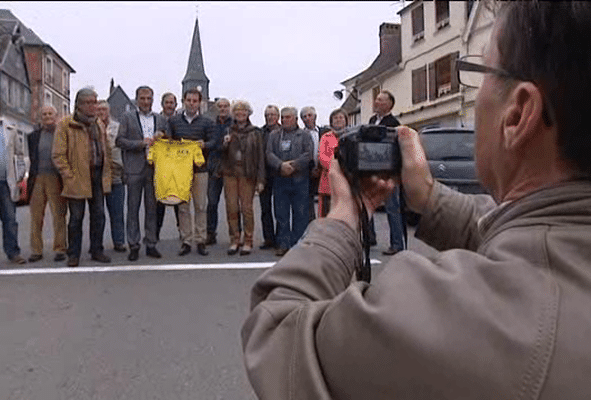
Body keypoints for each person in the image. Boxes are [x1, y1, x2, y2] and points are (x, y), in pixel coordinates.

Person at [242, 2, 591, 398]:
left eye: (481, 74)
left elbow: (276, 334)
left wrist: (340, 220)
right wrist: (429, 198)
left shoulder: (453, 317)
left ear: (518, 115)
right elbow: (530, 234)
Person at [53, 88, 112, 267]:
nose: (93, 106)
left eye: (95, 102)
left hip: (97, 176)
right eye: (89, 102)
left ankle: (96, 250)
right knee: (76, 218)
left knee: (99, 216)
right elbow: (58, 155)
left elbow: (105, 150)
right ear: (79, 105)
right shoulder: (66, 124)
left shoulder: (98, 124)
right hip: (77, 177)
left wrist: (108, 172)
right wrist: (68, 175)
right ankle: (74, 254)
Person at [116, 86, 167, 262]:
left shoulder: (160, 119)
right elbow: (119, 141)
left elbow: (168, 142)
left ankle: (151, 243)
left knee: (152, 208)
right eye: (143, 98)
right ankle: (134, 244)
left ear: (153, 100)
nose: (146, 102)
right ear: (136, 100)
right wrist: (140, 143)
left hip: (154, 169)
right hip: (134, 168)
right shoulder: (127, 117)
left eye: (149, 98)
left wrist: (162, 137)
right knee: (133, 208)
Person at [166, 88, 216, 257]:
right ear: (183, 101)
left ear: (199, 103)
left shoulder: (207, 122)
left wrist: (204, 145)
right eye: (189, 100)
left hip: (200, 170)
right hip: (180, 170)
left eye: (195, 101)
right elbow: (168, 142)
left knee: (201, 206)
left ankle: (201, 240)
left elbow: (214, 142)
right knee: (183, 207)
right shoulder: (173, 121)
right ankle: (186, 240)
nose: (192, 103)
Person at [266, 106, 313, 257]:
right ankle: (283, 243)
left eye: (288, 117)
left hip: (300, 179)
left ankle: (298, 244)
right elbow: (269, 153)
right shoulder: (274, 135)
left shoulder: (304, 135)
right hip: (280, 180)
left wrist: (293, 165)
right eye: (283, 117)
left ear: (295, 119)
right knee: (281, 214)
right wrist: (281, 165)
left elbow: (308, 154)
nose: (284, 120)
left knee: (300, 214)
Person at [221, 100, 265, 256]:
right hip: (230, 173)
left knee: (246, 208)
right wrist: (225, 145)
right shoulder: (228, 130)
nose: (240, 113)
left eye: (244, 111)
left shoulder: (256, 132)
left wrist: (261, 180)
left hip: (248, 173)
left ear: (248, 113)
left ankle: (248, 240)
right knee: (231, 207)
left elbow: (260, 157)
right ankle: (234, 239)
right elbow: (221, 153)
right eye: (237, 111)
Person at [27, 105, 67, 263]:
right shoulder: (33, 136)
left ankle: (60, 248)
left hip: (55, 177)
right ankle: (36, 250)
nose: (47, 116)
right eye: (44, 114)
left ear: (56, 116)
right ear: (40, 117)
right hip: (37, 178)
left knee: (59, 215)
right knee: (36, 216)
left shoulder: (61, 134)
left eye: (50, 113)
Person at [368, 90, 405, 255]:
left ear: (390, 104)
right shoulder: (372, 121)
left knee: (392, 208)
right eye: (376, 100)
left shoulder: (394, 124)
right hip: (372, 169)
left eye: (381, 100)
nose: (376, 103)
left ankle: (397, 243)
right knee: (368, 205)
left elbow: (397, 150)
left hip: (389, 172)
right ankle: (370, 238)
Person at [0, 94, 26, 264]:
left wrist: (19, 176)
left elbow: (19, 155)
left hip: (6, 182)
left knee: (10, 219)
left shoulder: (9, 128)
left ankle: (13, 252)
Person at [97, 100, 126, 253]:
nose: (101, 112)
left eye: (104, 109)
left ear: (108, 111)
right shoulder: (92, 128)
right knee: (98, 213)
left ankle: (119, 241)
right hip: (98, 173)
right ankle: (97, 244)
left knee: (117, 211)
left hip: (116, 172)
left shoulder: (117, 127)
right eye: (98, 110)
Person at [206, 97, 233, 246]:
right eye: (220, 106)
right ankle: (210, 233)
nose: (223, 109)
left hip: (231, 169)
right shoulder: (210, 125)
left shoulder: (235, 125)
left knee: (233, 205)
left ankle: (235, 234)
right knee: (211, 203)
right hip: (214, 168)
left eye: (225, 106)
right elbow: (210, 144)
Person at [156, 92, 180, 240]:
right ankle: (155, 233)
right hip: (160, 166)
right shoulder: (156, 120)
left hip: (178, 167)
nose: (169, 105)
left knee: (179, 201)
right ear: (162, 104)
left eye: (172, 103)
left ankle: (182, 232)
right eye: (167, 103)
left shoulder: (180, 120)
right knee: (159, 203)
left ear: (176, 105)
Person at [318, 108, 348, 218]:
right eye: (335, 118)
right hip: (328, 184)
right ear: (331, 121)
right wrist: (339, 167)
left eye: (341, 117)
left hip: (347, 183)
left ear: (346, 120)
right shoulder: (325, 138)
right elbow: (322, 158)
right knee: (327, 217)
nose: (338, 120)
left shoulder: (352, 136)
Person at [257, 105, 280, 250]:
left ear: (277, 116)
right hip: (264, 174)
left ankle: (280, 238)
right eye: (267, 115)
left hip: (279, 174)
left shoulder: (283, 131)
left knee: (280, 209)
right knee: (265, 209)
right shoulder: (260, 132)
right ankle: (268, 238)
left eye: (272, 115)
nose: (269, 117)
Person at [300, 106, 321, 222]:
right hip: (307, 173)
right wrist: (311, 168)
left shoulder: (324, 132)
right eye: (304, 117)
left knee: (324, 205)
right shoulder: (300, 135)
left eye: (309, 115)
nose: (307, 118)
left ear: (315, 117)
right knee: (308, 204)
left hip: (323, 172)